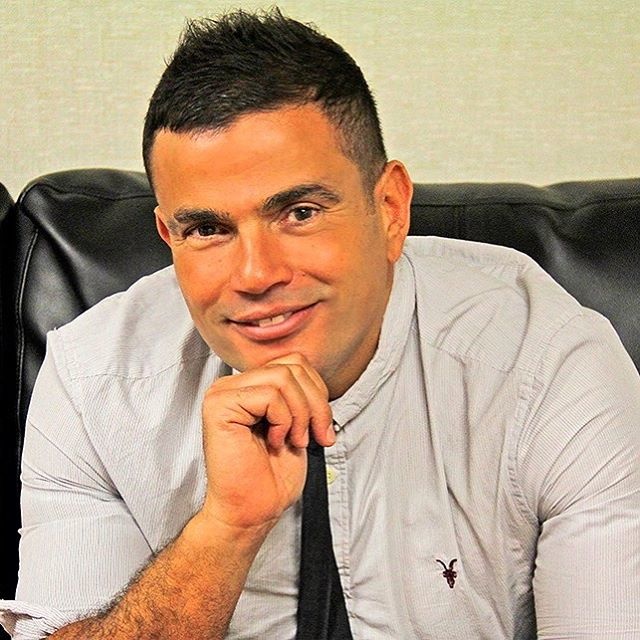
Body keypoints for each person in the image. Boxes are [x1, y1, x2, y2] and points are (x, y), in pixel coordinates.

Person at [1, 8, 639, 640]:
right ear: (169, 236)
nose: (255, 274)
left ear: (390, 209)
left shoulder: (548, 366)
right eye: (208, 229)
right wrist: (224, 532)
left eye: (300, 212)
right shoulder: (94, 383)